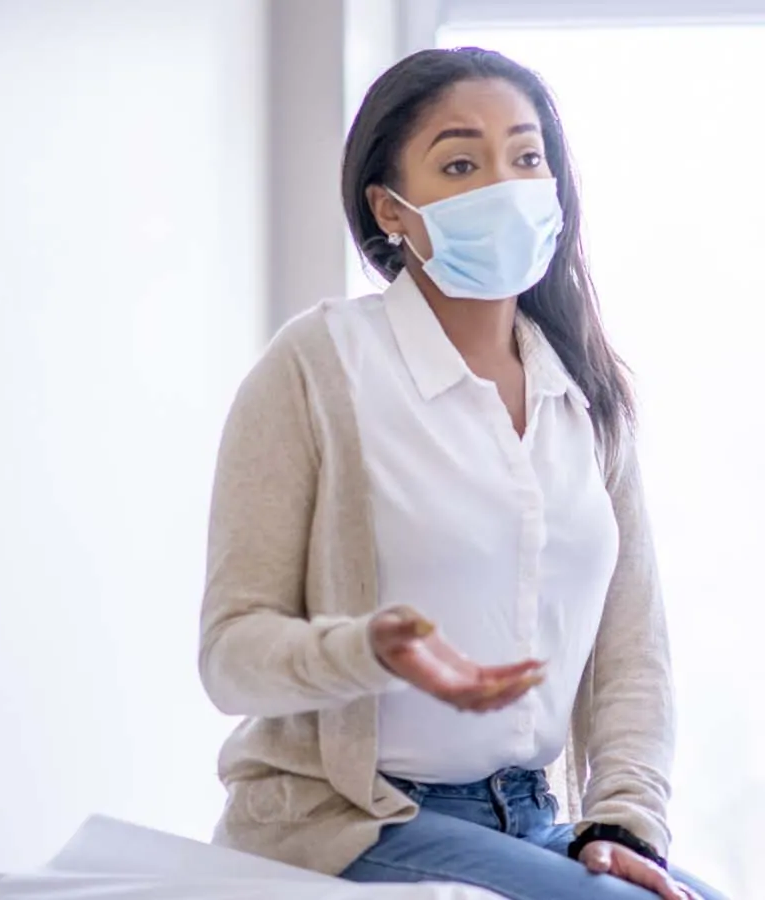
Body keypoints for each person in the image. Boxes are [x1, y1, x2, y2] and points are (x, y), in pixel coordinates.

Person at [197, 47, 722, 900]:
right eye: (460, 163)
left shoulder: (584, 394)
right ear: (390, 210)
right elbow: (230, 656)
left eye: (525, 158)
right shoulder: (319, 368)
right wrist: (367, 649)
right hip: (347, 817)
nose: (504, 188)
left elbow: (632, 656)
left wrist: (624, 820)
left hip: (530, 814)